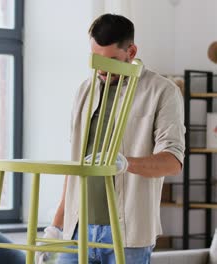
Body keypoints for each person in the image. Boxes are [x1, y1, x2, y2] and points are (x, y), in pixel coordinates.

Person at [45, 14, 185, 264]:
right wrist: (56, 227)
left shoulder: (163, 91)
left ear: (131, 51)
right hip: (77, 229)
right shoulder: (84, 91)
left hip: (128, 234)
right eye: (96, 60)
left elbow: (173, 162)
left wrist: (126, 163)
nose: (101, 69)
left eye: (110, 60)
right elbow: (75, 165)